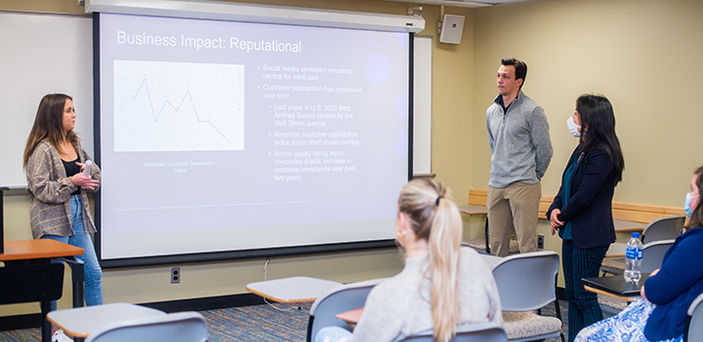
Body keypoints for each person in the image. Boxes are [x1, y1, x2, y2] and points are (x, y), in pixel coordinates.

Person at [316, 179, 501, 342]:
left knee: (328, 334)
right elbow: (496, 325)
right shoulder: (475, 264)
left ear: (402, 222)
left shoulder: (388, 295)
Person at [575, 165, 703, 342]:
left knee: (586, 337)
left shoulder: (696, 243)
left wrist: (653, 280)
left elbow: (656, 291)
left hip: (674, 327)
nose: (688, 195)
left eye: (692, 189)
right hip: (693, 327)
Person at [546, 95, 625, 341]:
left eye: (577, 114)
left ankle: (597, 338)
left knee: (584, 297)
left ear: (589, 121)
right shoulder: (582, 149)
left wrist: (562, 215)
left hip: (590, 236)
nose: (573, 119)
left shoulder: (602, 154)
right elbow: (566, 185)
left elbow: (584, 197)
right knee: (572, 295)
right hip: (571, 232)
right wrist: (553, 210)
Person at [23, 93, 103, 306]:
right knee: (52, 280)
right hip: (52, 219)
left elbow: (94, 174)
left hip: (78, 215)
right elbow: (40, 189)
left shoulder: (74, 143)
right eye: (68, 111)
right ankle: (53, 333)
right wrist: (72, 182)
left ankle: (97, 330)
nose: (74, 115)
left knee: (93, 273)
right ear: (53, 116)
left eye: (73, 110)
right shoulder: (42, 149)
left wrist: (89, 173)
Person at [486, 57, 553, 257]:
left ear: (518, 82)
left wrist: (533, 175)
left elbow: (545, 150)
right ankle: (500, 288)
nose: (500, 80)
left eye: (506, 77)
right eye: (498, 75)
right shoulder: (491, 111)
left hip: (523, 184)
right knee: (497, 244)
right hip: (496, 184)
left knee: (527, 245)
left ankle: (528, 288)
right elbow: (494, 145)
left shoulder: (532, 111)